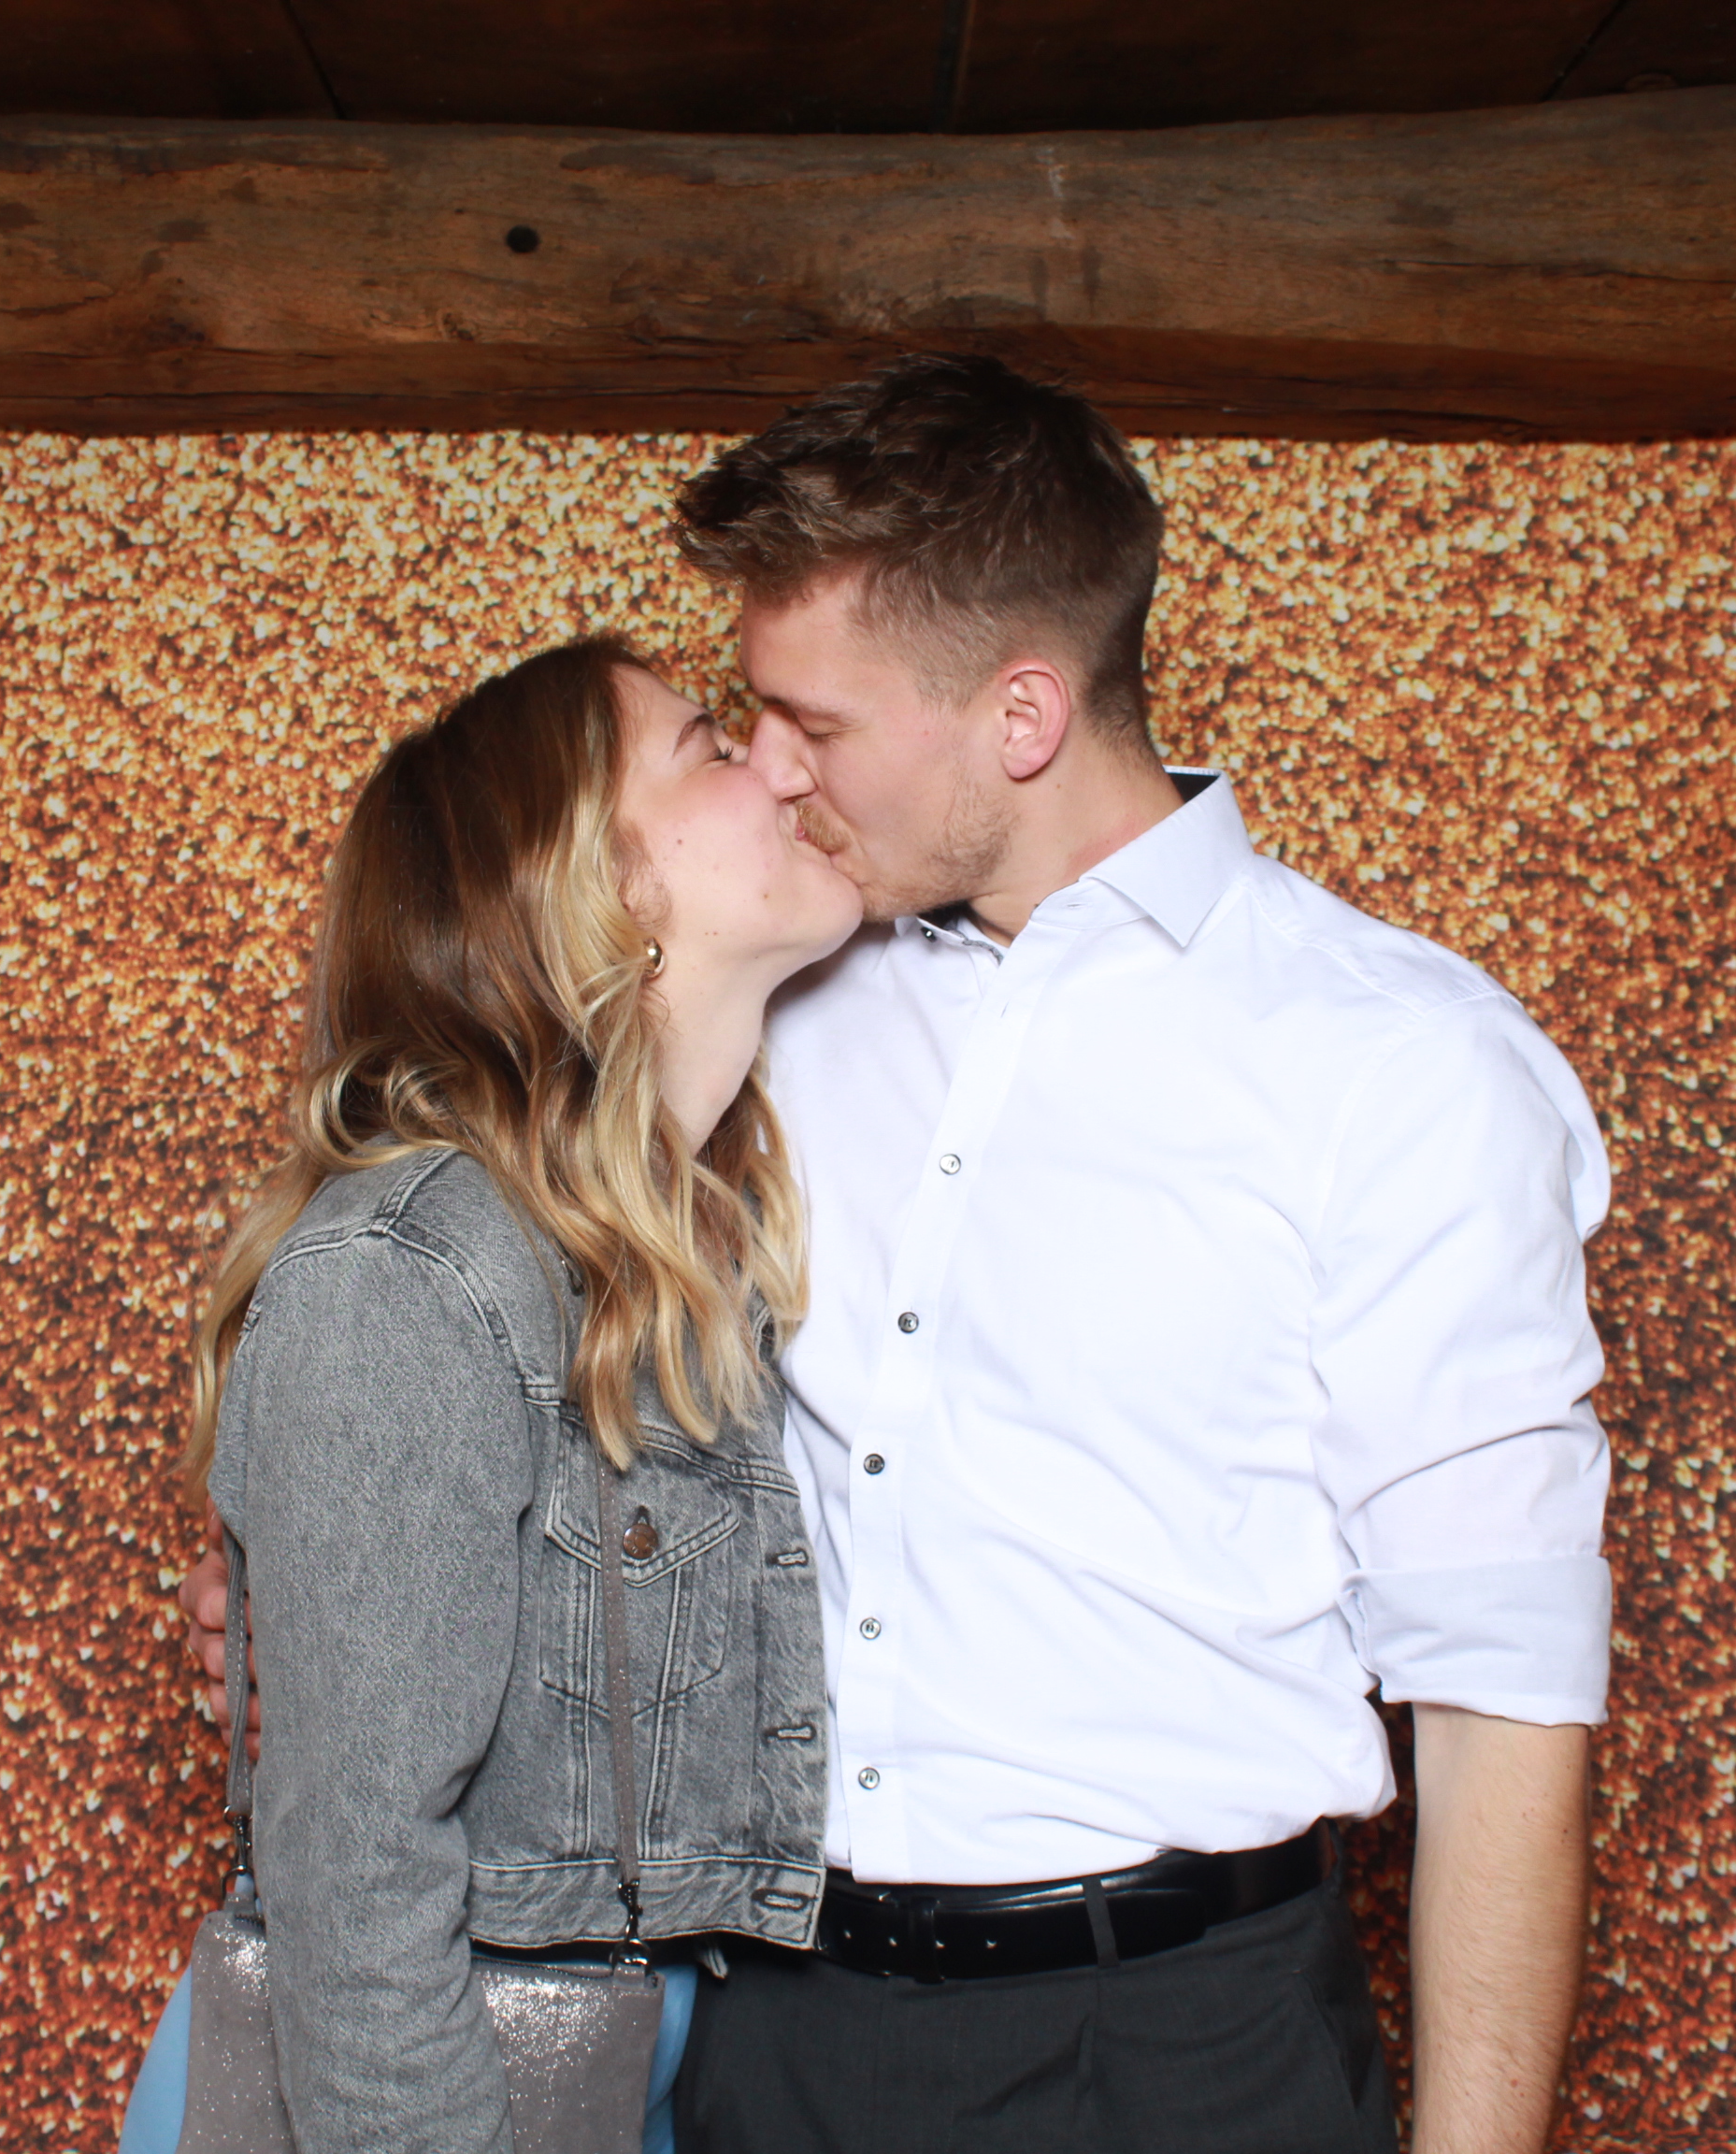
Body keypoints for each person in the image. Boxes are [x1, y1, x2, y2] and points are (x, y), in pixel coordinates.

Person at [190, 355, 1610, 2154]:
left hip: (1181, 2047)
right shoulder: (766, 996)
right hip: (761, 2032)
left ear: (1019, 716)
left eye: (812, 722)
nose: (777, 771)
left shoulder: (1400, 1064)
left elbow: (1505, 1688)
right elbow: (491, 1380)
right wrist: (324, 1601)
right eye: (738, 725)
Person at [140, 638, 859, 2154]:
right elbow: (357, 1881)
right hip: (419, 2096)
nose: (779, 765)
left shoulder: (672, 1259)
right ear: (596, 890)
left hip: (621, 2070)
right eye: (710, 746)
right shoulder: (411, 1272)